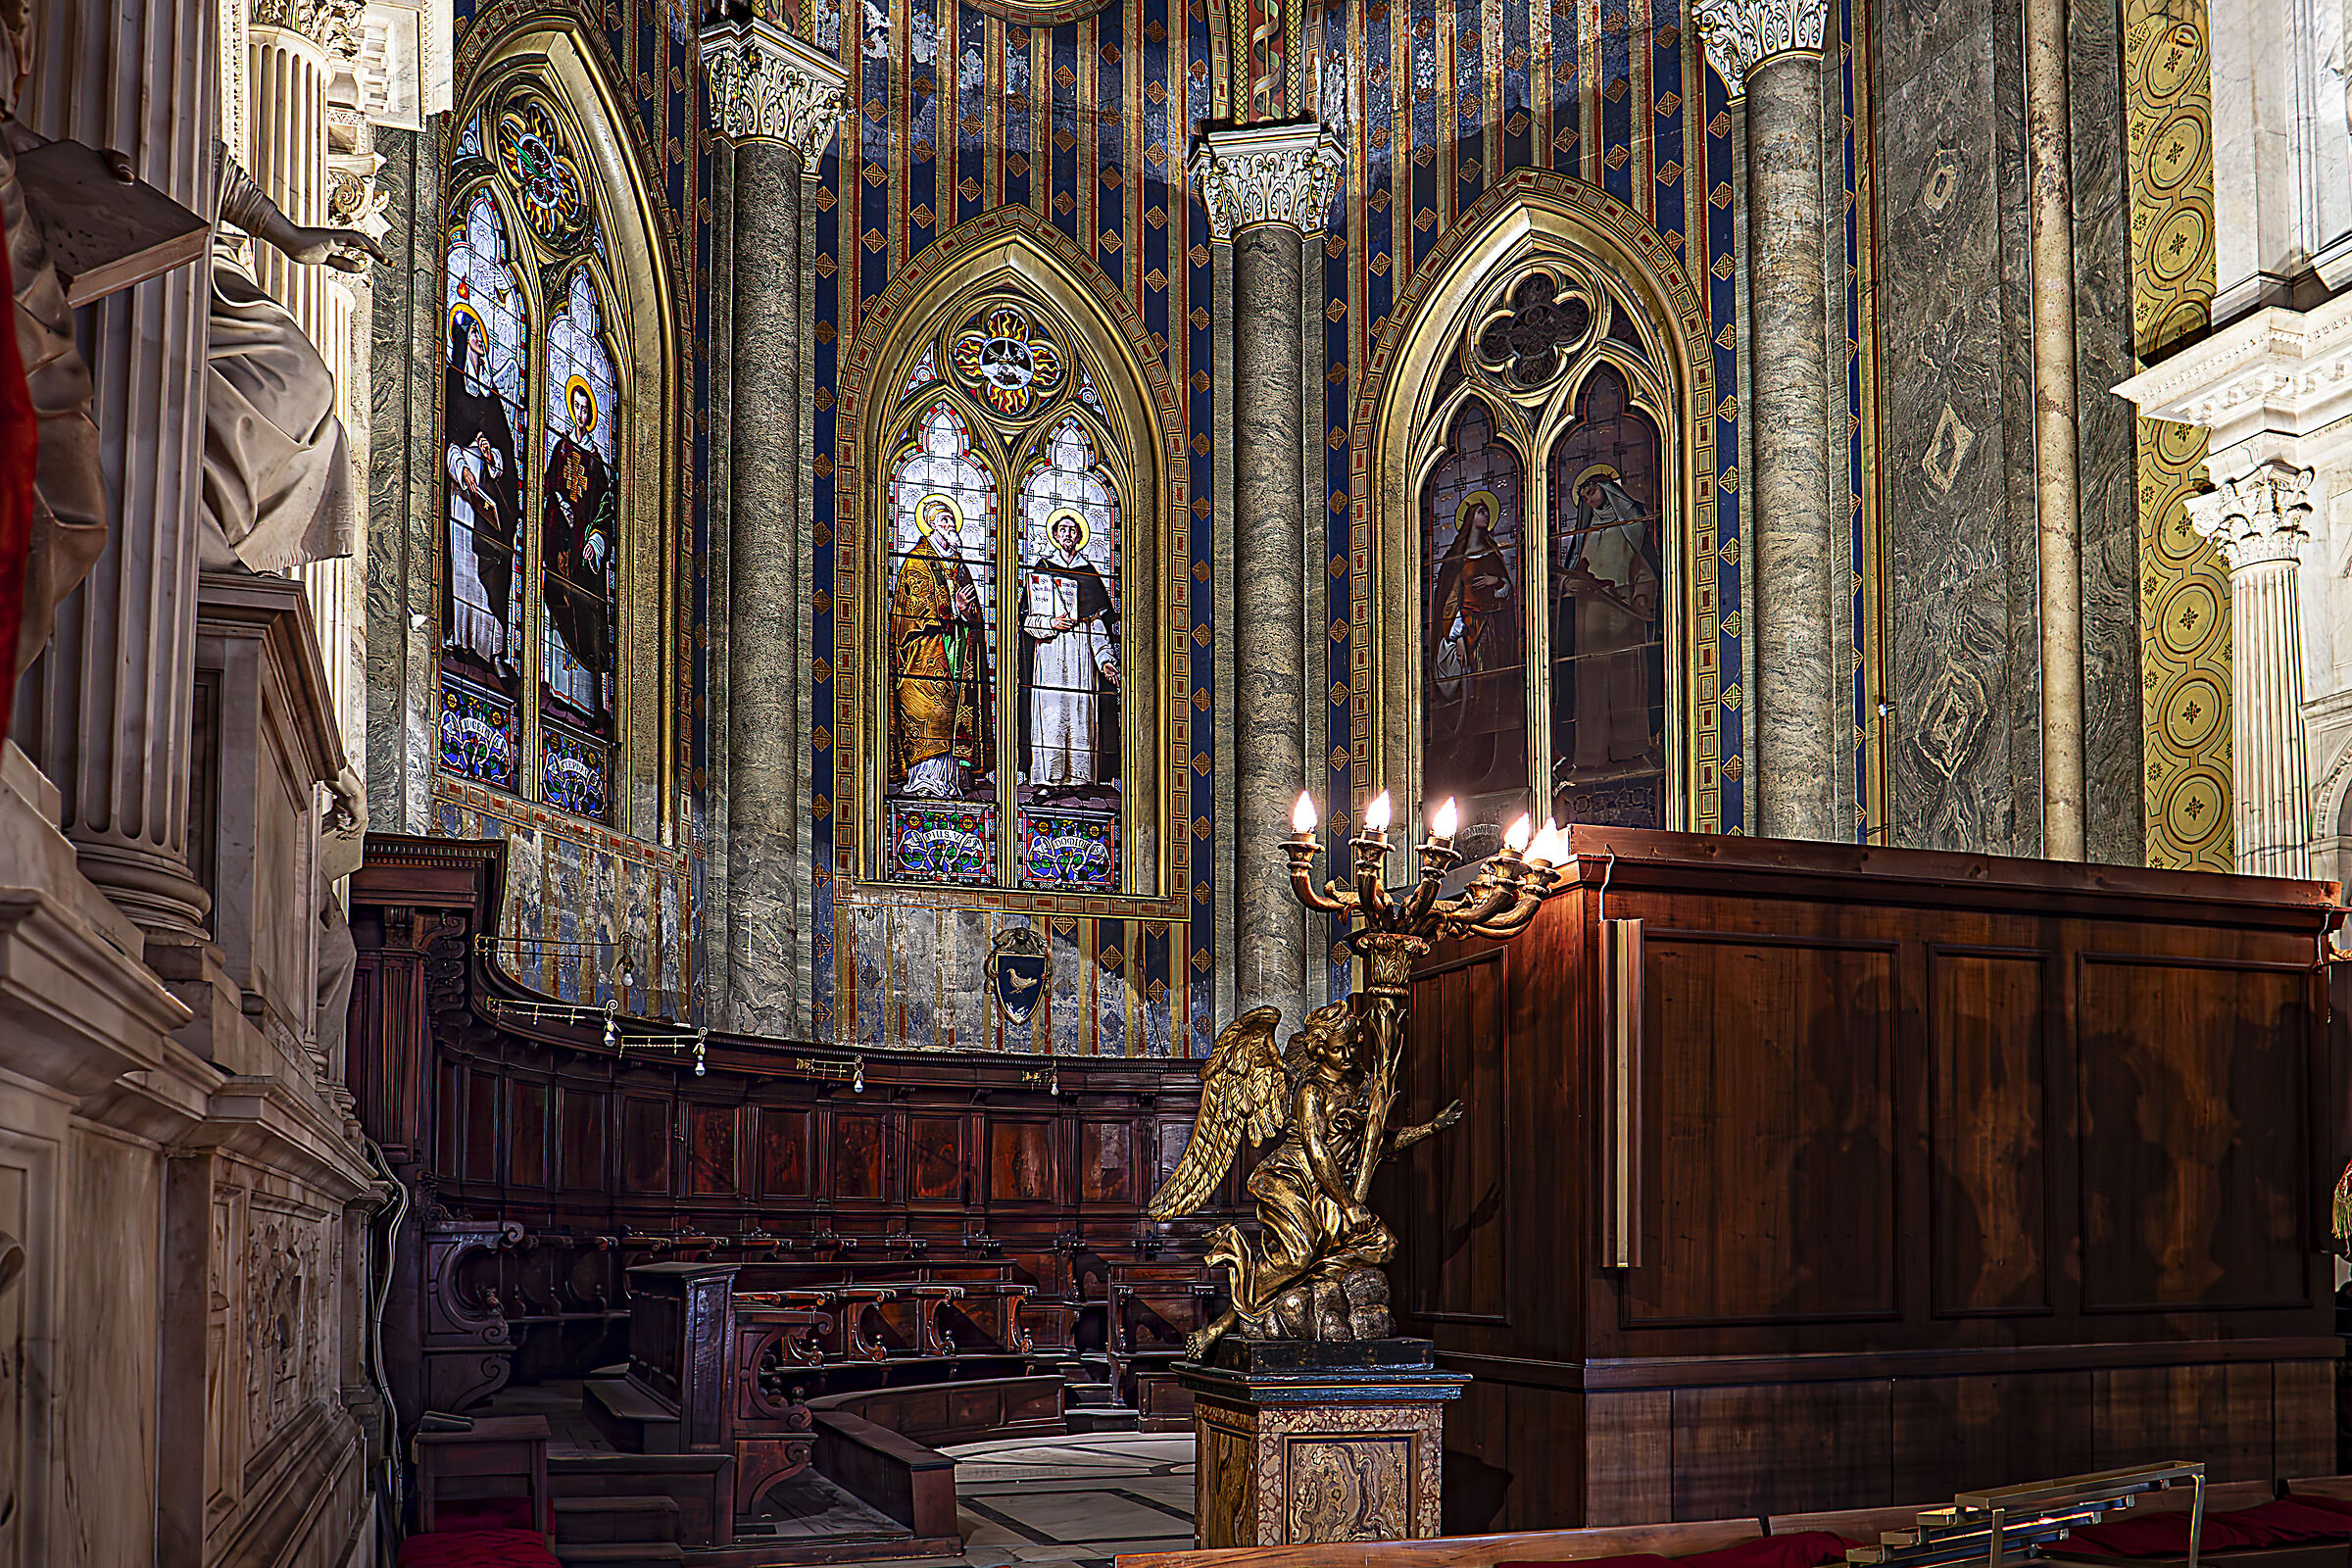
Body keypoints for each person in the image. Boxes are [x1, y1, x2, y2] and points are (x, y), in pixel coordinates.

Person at [201, 146, 383, 573]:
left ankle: (228, 522)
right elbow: (194, 154)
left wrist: (291, 237)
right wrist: (290, 236)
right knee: (304, 386)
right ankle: (226, 516)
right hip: (152, 226)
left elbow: (204, 159)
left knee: (306, 391)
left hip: (186, 232)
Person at [890, 495, 994, 798]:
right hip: (926, 650)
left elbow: (973, 611)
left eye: (952, 520)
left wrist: (965, 613)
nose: (950, 526)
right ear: (932, 525)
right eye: (944, 520)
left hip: (960, 650)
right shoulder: (916, 562)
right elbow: (913, 615)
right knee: (934, 711)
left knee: (959, 711)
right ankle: (925, 780)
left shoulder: (958, 565)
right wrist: (952, 608)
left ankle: (953, 781)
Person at [1019, 508, 1119, 800]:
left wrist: (1105, 660)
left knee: (1079, 713)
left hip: (1081, 654)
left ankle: (1078, 778)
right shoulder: (1042, 570)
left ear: (1079, 537)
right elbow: (1027, 621)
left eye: (1072, 530)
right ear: (1055, 535)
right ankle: (1048, 780)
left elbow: (1097, 623)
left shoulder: (1089, 574)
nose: (1067, 535)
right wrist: (1051, 623)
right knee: (1051, 715)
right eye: (1062, 530)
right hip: (1050, 652)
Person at [1425, 492, 1520, 793]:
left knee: (1494, 691)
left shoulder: (1493, 553)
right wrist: (1458, 638)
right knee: (1472, 694)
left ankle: (1497, 759)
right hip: (1468, 634)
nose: (1486, 516)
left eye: (1487, 512)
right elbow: (1449, 602)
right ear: (1469, 518)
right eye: (1480, 511)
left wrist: (1497, 582)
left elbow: (1507, 592)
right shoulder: (1456, 559)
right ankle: (1468, 759)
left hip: (1493, 632)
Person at [540, 377, 616, 721]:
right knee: (559, 608)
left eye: (587, 410)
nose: (582, 414)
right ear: (572, 410)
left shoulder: (597, 463)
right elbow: (548, 486)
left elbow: (604, 510)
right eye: (578, 408)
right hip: (559, 544)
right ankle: (558, 691)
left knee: (585, 616)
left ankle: (585, 701)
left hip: (584, 556)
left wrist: (595, 540)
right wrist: (559, 504)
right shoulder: (560, 449)